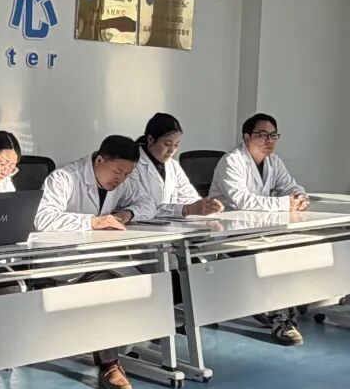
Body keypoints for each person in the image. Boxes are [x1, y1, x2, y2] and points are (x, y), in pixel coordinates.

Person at [35, 135, 156, 389]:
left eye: (127, 174)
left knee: (149, 278)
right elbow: (42, 218)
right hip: (64, 264)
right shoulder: (65, 178)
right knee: (108, 286)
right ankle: (109, 365)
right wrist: (92, 222)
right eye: (117, 171)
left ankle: (123, 342)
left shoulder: (122, 181)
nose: (121, 179)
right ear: (100, 160)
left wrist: (127, 213)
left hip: (100, 259)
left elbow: (148, 203)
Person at [208, 113, 308, 346]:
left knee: (296, 247)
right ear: (247, 137)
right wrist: (285, 204)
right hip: (226, 232)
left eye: (273, 135)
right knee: (271, 256)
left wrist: (300, 198)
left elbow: (291, 186)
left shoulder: (274, 162)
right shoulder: (232, 161)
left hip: (258, 229)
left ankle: (278, 308)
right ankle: (281, 319)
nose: (269, 141)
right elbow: (243, 201)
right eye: (262, 135)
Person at [129, 113, 223, 218]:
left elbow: (189, 198)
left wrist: (207, 206)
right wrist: (186, 209)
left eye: (176, 144)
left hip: (171, 225)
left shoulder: (173, 165)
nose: (172, 150)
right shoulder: (132, 165)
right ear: (150, 139)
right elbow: (142, 208)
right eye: (167, 144)